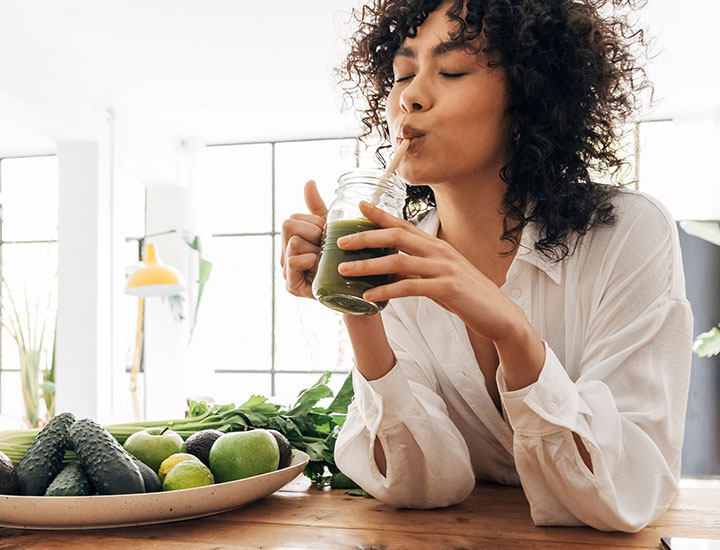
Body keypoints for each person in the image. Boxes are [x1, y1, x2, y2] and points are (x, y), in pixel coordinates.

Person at [280, 0, 693, 532]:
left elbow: (628, 490)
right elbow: (420, 486)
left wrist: (512, 334)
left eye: (450, 71)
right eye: (403, 73)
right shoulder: (395, 255)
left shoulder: (627, 234)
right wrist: (356, 303)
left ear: (528, 98)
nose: (410, 94)